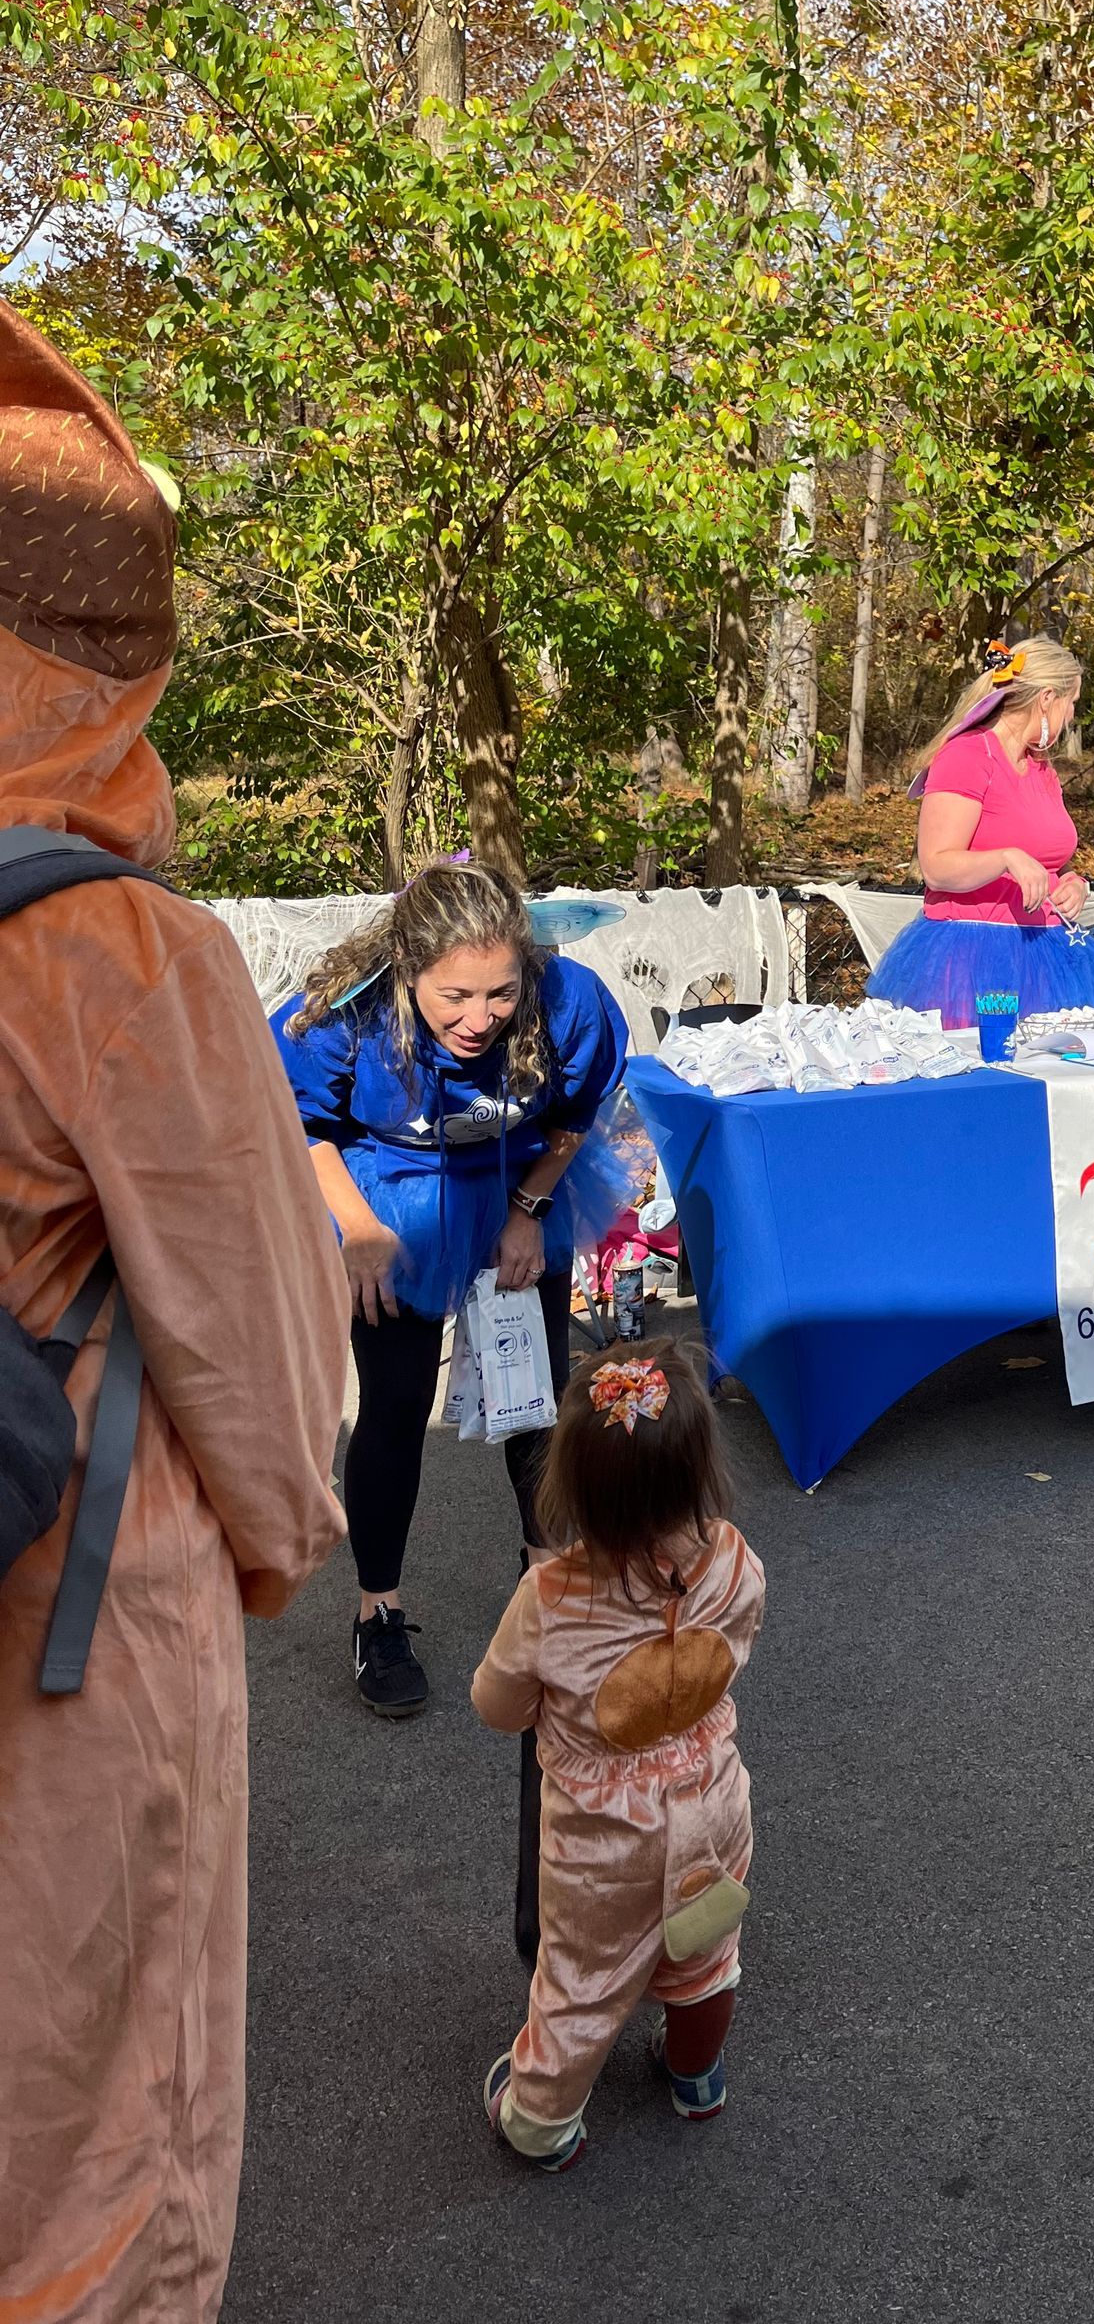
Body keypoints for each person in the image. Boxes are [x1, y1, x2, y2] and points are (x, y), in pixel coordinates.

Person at [0, 297, 349, 2322]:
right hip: (69, 1609)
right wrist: (286, 1545)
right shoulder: (116, 946)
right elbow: (260, 1349)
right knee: (104, 2129)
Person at [274, 862, 632, 1714]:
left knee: (537, 1403)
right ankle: (378, 1613)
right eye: (456, 997)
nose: (480, 1020)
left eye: (500, 995)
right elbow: (302, 1123)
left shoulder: (569, 1000)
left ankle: (551, 1585)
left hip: (514, 1185)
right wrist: (359, 1234)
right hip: (389, 1199)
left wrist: (528, 1212)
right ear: (407, 968)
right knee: (395, 1406)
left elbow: (575, 1115)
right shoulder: (343, 1014)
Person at [472, 1338, 764, 2170]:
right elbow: (738, 1640)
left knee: (581, 1982)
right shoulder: (734, 1558)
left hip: (604, 1841)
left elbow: (497, 1706)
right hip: (713, 1800)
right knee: (706, 1947)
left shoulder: (550, 1599)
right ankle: (695, 2074)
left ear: (571, 1487)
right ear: (700, 1470)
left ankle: (539, 2121)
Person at [866, 636, 1094, 1029]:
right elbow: (936, 866)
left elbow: (1049, 858)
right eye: (1072, 703)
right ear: (1047, 698)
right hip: (973, 957)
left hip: (1049, 949)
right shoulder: (967, 756)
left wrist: (1073, 883)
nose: (1072, 716)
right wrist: (1006, 858)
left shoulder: (1042, 769)